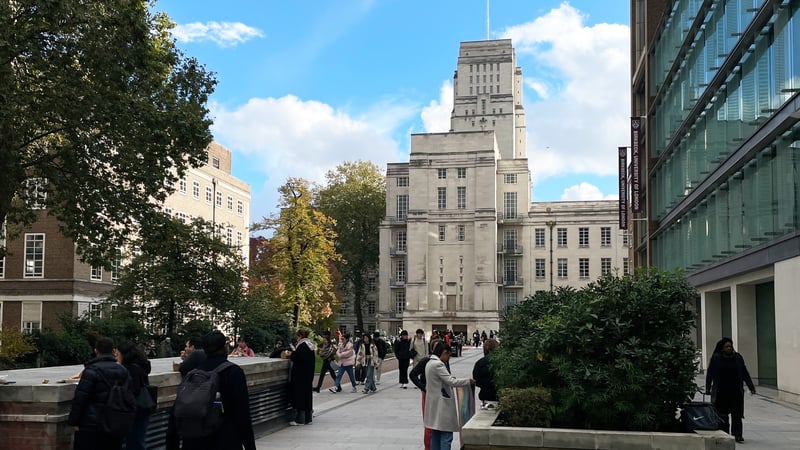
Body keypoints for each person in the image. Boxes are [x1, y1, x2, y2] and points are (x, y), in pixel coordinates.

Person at [180, 330, 256, 450]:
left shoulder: (192, 374)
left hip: (195, 440)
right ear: (224, 348)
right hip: (225, 439)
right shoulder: (233, 372)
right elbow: (242, 413)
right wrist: (250, 445)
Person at [68, 336, 131, 450]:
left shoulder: (91, 371)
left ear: (96, 350)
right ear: (113, 351)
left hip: (91, 424)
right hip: (115, 422)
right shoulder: (123, 370)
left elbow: (81, 398)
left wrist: (74, 421)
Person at [424, 342, 474, 450]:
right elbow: (451, 381)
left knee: (436, 434)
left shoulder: (429, 363)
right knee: (446, 436)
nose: (448, 358)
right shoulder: (438, 365)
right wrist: (467, 381)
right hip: (442, 404)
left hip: (434, 403)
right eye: (448, 355)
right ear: (444, 352)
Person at [705, 337, 756, 443]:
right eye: (727, 346)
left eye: (730, 346)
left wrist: (751, 387)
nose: (729, 348)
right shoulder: (716, 358)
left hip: (736, 391)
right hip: (721, 392)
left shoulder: (738, 357)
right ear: (722, 348)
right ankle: (724, 433)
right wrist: (708, 387)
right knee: (722, 415)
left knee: (736, 414)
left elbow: (744, 372)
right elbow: (710, 373)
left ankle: (737, 435)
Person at [114, 341, 152, 450]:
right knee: (138, 440)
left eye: (117, 354)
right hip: (141, 409)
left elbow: (133, 390)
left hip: (135, 411)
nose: (115, 357)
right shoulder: (140, 365)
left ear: (124, 355)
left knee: (134, 441)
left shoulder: (132, 369)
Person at [284, 329, 315, 425]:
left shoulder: (302, 346)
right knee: (307, 396)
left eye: (297, 337)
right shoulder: (310, 345)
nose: (296, 339)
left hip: (300, 375)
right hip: (308, 375)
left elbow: (296, 358)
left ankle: (300, 419)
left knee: (300, 395)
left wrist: (291, 353)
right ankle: (308, 418)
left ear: (300, 336)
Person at [473, 338, 499, 410]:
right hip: (499, 395)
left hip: (485, 394)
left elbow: (476, 380)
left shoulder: (479, 363)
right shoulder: (501, 361)